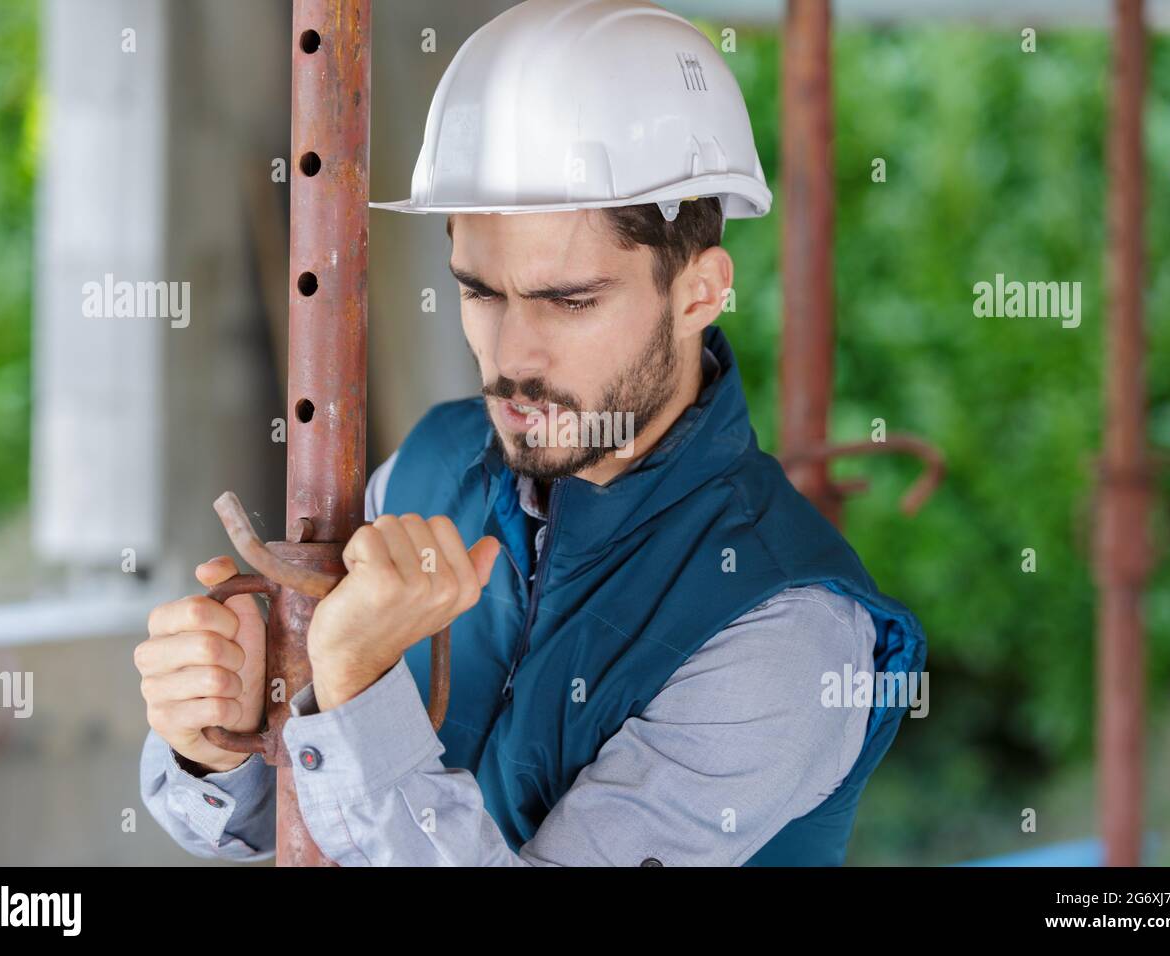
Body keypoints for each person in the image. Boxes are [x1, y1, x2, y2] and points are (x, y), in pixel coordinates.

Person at [136, 0, 925, 866]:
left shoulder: (788, 634)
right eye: (480, 292)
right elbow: (306, 825)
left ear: (700, 292)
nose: (511, 357)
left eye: (570, 300)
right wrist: (222, 743)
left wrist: (355, 693)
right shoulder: (427, 467)